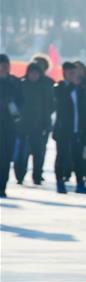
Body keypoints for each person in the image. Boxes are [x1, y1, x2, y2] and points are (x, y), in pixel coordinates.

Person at [52, 61, 86, 194]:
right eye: (70, 73)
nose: (72, 75)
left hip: (77, 130)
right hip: (63, 130)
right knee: (62, 156)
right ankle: (59, 182)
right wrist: (70, 86)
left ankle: (80, 183)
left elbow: (85, 112)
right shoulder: (59, 88)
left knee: (78, 158)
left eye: (74, 73)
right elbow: (59, 103)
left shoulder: (80, 90)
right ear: (64, 73)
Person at [15, 62, 55, 186]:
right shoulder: (20, 85)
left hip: (40, 125)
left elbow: (51, 104)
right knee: (22, 153)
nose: (34, 75)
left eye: (36, 73)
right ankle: (20, 175)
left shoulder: (45, 86)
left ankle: (37, 175)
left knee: (39, 153)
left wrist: (46, 120)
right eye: (32, 73)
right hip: (22, 125)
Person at [0, 54, 23, 197]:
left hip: (10, 125)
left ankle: (2, 186)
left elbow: (22, 101)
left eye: (6, 64)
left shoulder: (15, 82)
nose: (4, 67)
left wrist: (12, 104)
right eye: (2, 65)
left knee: (6, 157)